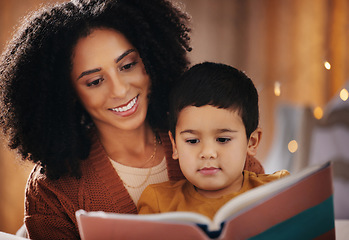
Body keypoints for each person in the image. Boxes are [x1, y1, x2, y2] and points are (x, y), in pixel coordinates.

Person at [0, 1, 263, 239]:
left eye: (127, 65)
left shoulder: (213, 139)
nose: (120, 90)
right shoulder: (52, 190)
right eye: (94, 81)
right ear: (67, 95)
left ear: (150, 58)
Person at [138, 62, 289, 218]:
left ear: (252, 142)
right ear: (175, 145)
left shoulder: (279, 191)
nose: (208, 153)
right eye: (192, 141)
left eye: (223, 139)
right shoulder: (158, 203)